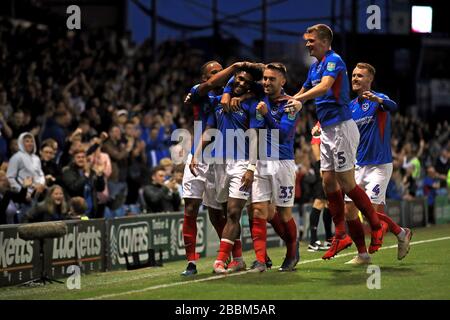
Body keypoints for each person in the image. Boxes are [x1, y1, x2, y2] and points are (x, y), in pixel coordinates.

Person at [286, 24, 385, 259]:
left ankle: (375, 224)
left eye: (311, 40)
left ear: (323, 41)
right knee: (328, 181)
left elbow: (324, 87)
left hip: (341, 128)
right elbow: (307, 86)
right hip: (327, 131)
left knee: (347, 183)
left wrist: (298, 100)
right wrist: (290, 98)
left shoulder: (334, 60)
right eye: (306, 40)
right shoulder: (315, 66)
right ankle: (341, 235)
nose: (307, 44)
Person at [190, 63, 264, 274]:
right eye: (238, 79)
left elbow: (254, 136)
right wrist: (196, 153)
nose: (240, 83)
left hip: (241, 164)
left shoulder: (252, 105)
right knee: (224, 211)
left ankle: (220, 261)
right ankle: (238, 259)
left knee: (233, 211)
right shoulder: (218, 104)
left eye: (246, 82)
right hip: (219, 163)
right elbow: (209, 129)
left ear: (251, 87)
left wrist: (251, 167)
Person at [344, 62, 412, 264]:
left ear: (370, 79)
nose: (355, 78)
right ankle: (363, 254)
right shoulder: (350, 107)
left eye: (360, 75)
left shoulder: (380, 99)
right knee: (349, 212)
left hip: (379, 165)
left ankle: (402, 232)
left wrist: (377, 99)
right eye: (354, 75)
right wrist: (320, 127)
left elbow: (393, 106)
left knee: (370, 213)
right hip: (358, 165)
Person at [248, 62, 302, 272]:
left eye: (272, 79)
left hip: (282, 163)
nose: (267, 82)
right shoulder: (259, 102)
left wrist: (267, 114)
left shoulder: (291, 104)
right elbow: (256, 133)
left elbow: (283, 134)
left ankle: (291, 252)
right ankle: (260, 260)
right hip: (261, 162)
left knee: (284, 213)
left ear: (283, 81)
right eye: (265, 78)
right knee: (259, 210)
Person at [6, 132, 46, 222]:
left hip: (37, 195)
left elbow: (40, 174)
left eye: (32, 141)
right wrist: (21, 191)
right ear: (21, 143)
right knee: (23, 223)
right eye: (27, 141)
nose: (30, 143)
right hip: (23, 198)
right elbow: (10, 177)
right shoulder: (16, 157)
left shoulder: (36, 158)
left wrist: (41, 184)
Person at [308, 122, 333, 252]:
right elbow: (314, 143)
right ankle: (313, 241)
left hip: (331, 166)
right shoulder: (321, 122)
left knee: (329, 203)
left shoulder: (332, 120)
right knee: (319, 202)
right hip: (323, 167)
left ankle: (329, 239)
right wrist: (319, 165)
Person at [61, 146, 106, 218]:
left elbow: (100, 188)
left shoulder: (91, 171)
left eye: (83, 157)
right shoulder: (68, 171)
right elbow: (74, 187)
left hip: (91, 212)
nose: (81, 159)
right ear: (73, 159)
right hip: (75, 213)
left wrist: (100, 175)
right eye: (78, 157)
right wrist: (86, 175)